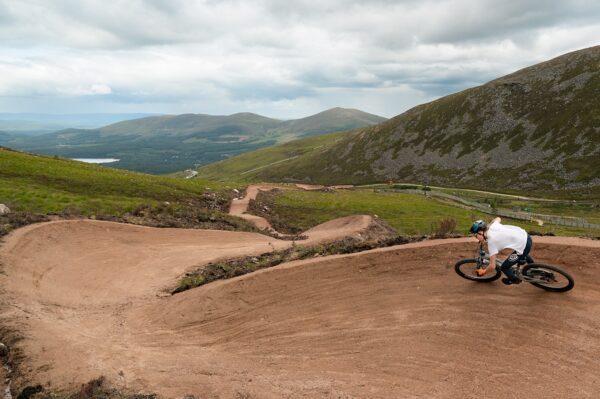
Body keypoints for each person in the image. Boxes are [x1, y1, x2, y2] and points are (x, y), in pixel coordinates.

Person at [469, 217, 533, 285]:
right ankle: (534, 266)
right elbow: (498, 218)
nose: (476, 238)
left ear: (480, 233)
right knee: (520, 252)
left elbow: (492, 266)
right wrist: (491, 224)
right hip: (526, 236)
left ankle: (514, 279)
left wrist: (484, 271)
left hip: (524, 245)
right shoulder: (493, 225)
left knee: (504, 267)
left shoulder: (492, 242)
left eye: (476, 236)